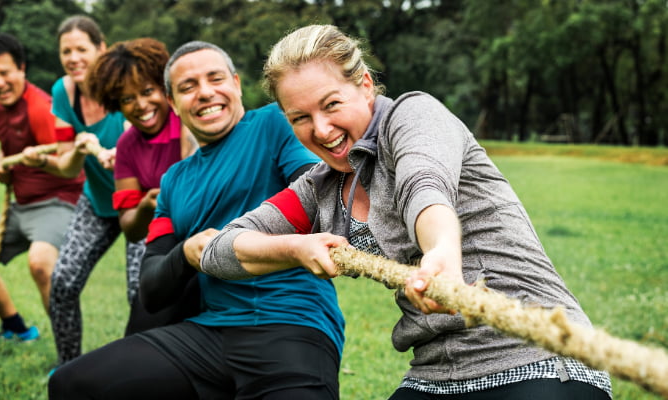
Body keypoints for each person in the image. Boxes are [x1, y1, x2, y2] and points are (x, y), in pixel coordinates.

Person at [200, 25, 613, 399]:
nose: (321, 129)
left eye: (331, 104)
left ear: (365, 86)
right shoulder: (319, 188)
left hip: (535, 355)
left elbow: (425, 187)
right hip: (435, 374)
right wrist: (295, 247)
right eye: (300, 118)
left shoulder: (412, 117)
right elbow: (221, 250)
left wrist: (441, 255)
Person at [49, 41, 344, 399]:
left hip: (291, 324)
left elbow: (319, 198)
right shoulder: (174, 181)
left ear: (236, 84)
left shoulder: (274, 124)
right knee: (70, 384)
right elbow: (152, 289)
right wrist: (187, 252)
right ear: (174, 103)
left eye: (215, 79)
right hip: (208, 335)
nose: (205, 93)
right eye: (188, 87)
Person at [0, 33, 84, 343]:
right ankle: (17, 329)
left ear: (22, 69)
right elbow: (9, 147)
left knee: (41, 263)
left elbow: (69, 163)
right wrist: (2, 163)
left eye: (5, 73)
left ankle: (69, 356)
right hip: (22, 205)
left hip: (58, 201)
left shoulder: (42, 108)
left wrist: (38, 162)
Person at [86, 37, 198, 334]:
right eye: (127, 99)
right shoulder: (126, 146)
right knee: (142, 329)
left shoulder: (188, 119)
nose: (141, 105)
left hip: (209, 240)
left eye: (148, 91)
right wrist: (147, 206)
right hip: (166, 242)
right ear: (115, 103)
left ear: (165, 88)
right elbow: (130, 228)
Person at [43, 15, 134, 368]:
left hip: (140, 203)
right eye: (66, 51)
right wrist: (78, 150)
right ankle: (68, 368)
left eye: (82, 49)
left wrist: (122, 154)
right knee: (63, 282)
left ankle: (139, 371)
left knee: (140, 293)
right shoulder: (62, 92)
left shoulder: (125, 85)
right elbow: (66, 167)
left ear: (101, 49)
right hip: (97, 202)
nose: (73, 58)